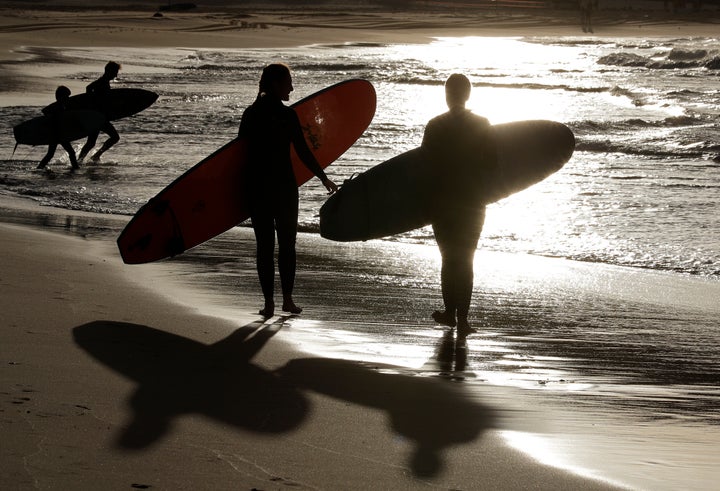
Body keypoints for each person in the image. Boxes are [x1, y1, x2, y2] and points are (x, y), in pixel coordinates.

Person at [238, 63, 338, 318]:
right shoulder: (286, 116)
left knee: (264, 246)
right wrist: (322, 177)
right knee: (287, 245)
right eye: (288, 82)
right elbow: (303, 152)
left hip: (258, 187)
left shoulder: (251, 114)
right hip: (283, 187)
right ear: (275, 84)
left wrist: (239, 191)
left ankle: (269, 303)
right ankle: (287, 300)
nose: (292, 87)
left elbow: (238, 155)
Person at [421, 74, 497, 337]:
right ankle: (462, 318)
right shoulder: (482, 124)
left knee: (448, 259)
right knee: (466, 260)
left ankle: (450, 313)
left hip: (442, 202)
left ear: (446, 94)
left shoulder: (434, 126)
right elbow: (493, 165)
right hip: (473, 203)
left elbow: (424, 166)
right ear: (467, 95)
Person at [78, 61, 121, 162]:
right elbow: (88, 88)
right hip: (98, 117)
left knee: (91, 143)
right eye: (115, 72)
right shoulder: (102, 81)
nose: (116, 74)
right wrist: (91, 105)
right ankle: (93, 156)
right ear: (109, 71)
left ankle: (80, 160)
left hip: (99, 117)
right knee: (115, 137)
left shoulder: (105, 82)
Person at [38, 85, 79, 170]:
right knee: (71, 152)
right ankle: (75, 168)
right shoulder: (57, 106)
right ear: (60, 97)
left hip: (58, 134)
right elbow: (45, 111)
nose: (68, 98)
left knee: (50, 154)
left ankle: (40, 167)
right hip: (57, 134)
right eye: (67, 96)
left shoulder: (62, 106)